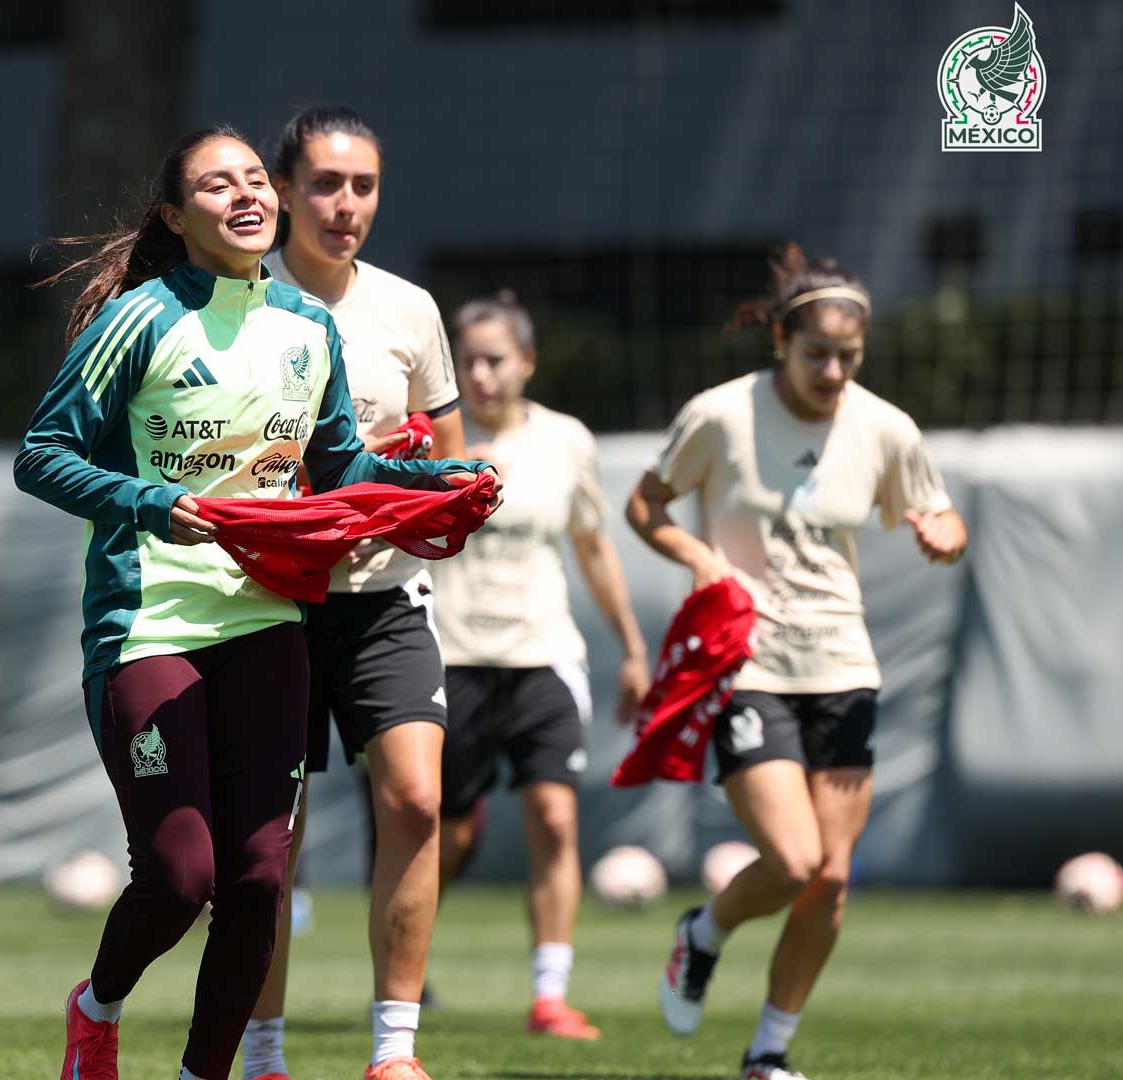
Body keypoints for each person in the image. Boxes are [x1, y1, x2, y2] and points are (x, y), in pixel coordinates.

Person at [16, 124, 493, 1080]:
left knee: (258, 876)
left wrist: (440, 481)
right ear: (173, 214)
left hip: (270, 621)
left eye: (251, 181)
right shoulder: (138, 317)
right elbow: (42, 455)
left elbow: (342, 466)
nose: (244, 196)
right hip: (149, 625)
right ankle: (96, 1007)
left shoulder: (307, 326)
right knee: (181, 877)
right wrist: (155, 502)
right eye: (215, 184)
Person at [628, 246, 967, 1080]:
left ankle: (768, 1054)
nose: (833, 371)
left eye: (849, 356)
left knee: (832, 880)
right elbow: (645, 505)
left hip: (843, 666)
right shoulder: (721, 414)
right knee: (793, 860)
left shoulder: (886, 427)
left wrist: (943, 536)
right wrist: (699, 558)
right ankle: (701, 934)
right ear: (780, 341)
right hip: (750, 663)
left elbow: (944, 516)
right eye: (817, 353)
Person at [243, 105, 468, 1080]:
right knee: (270, 841)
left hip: (384, 597)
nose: (345, 206)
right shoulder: (232, 301)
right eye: (326, 185)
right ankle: (262, 1053)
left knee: (416, 800)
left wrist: (435, 492)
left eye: (363, 186)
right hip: (266, 605)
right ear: (282, 192)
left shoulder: (410, 310)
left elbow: (450, 469)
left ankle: (395, 1052)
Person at [429, 291, 650, 1040]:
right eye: (469, 362)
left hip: (544, 656)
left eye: (496, 359)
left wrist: (632, 647)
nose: (482, 375)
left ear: (526, 362)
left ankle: (550, 996)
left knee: (555, 817)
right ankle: (406, 967)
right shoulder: (430, 437)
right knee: (446, 838)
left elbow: (592, 545)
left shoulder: (565, 441)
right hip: (451, 657)